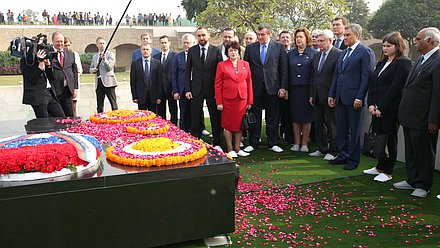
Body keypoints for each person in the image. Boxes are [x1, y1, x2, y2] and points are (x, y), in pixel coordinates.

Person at [394, 27, 440, 198]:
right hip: (409, 116)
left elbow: (437, 94)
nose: (415, 42)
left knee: (424, 152)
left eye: (418, 39)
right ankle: (412, 179)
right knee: (411, 150)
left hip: (425, 117)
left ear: (429, 41)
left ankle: (423, 184)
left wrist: (433, 119)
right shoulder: (421, 59)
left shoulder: (438, 60)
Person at [362, 32, 412, 182]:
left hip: (391, 109)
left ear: (398, 46)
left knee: (389, 139)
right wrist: (371, 104)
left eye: (388, 46)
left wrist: (381, 107)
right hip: (376, 108)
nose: (385, 48)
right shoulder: (382, 62)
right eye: (383, 45)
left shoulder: (403, 62)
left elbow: (396, 88)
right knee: (379, 138)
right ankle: (379, 166)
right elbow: (373, 84)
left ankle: (388, 171)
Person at [328, 23, 375, 170]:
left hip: (355, 99)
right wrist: (332, 94)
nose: (345, 37)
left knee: (355, 131)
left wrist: (360, 97)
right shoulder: (343, 53)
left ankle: (353, 160)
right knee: (341, 128)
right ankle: (343, 155)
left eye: (348, 35)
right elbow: (337, 75)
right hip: (340, 97)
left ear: (357, 35)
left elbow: (366, 77)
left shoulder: (365, 52)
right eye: (345, 35)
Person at [243, 23, 288, 153]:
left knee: (272, 116)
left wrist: (283, 87)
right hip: (255, 88)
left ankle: (272, 142)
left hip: (273, 88)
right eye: (259, 34)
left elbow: (283, 68)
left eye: (263, 34)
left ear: (269, 34)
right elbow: (246, 70)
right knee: (254, 116)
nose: (260, 37)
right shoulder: (250, 48)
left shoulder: (279, 47)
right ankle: (253, 142)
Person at [185, 27, 223, 151]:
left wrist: (219, 91)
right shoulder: (192, 51)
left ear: (209, 35)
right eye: (199, 35)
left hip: (212, 89)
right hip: (196, 88)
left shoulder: (216, 51)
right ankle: (196, 139)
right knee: (195, 115)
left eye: (203, 35)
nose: (201, 38)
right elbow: (187, 71)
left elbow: (220, 72)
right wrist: (187, 89)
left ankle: (217, 140)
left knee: (214, 116)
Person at [215, 41, 253, 158]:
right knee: (228, 125)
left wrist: (250, 100)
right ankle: (230, 149)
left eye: (235, 50)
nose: (233, 52)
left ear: (239, 52)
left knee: (239, 124)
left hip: (242, 99)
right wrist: (219, 102)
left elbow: (249, 82)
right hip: (228, 100)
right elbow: (217, 85)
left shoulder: (245, 64)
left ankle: (237, 148)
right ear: (227, 52)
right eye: (231, 50)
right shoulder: (222, 65)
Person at [309, 29, 341, 161]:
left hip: (330, 96)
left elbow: (338, 77)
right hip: (317, 95)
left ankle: (333, 150)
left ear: (330, 40)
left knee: (332, 124)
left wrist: (333, 95)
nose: (319, 43)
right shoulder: (316, 55)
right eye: (318, 41)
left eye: (322, 41)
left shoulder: (338, 54)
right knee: (319, 123)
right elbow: (313, 77)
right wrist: (312, 94)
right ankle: (322, 148)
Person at [287, 27, 315, 152]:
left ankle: (304, 144)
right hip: (294, 89)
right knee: (295, 116)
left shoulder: (313, 53)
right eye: (297, 37)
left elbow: (315, 74)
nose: (298, 39)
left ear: (306, 39)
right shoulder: (290, 54)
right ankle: (296, 143)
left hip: (307, 89)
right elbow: (286, 72)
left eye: (301, 37)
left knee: (306, 117)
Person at [20, 49, 65, 118]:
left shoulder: (46, 59)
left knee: (61, 117)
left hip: (50, 93)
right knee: (43, 121)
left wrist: (48, 65)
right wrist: (40, 63)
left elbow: (52, 78)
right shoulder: (26, 61)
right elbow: (33, 78)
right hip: (38, 95)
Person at [49, 31, 78, 117]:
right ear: (53, 41)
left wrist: (75, 87)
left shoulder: (70, 54)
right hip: (55, 91)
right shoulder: (48, 54)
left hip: (68, 90)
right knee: (57, 117)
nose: (60, 43)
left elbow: (75, 71)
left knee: (70, 116)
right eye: (58, 41)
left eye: (61, 41)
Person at [172, 33, 196, 132]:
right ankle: (183, 131)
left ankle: (195, 131)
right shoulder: (178, 57)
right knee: (183, 111)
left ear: (193, 43)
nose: (186, 45)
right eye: (184, 43)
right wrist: (175, 91)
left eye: (188, 43)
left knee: (194, 112)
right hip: (182, 89)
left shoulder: (197, 55)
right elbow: (174, 74)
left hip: (194, 88)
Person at [130, 43, 163, 112]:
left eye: (147, 49)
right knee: (142, 118)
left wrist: (159, 97)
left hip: (153, 96)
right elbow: (133, 81)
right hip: (140, 96)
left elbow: (160, 81)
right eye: (143, 49)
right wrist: (134, 96)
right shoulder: (135, 63)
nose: (145, 51)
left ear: (151, 51)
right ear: (140, 51)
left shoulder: (157, 63)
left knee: (153, 117)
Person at [90, 37, 118, 113]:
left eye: (103, 43)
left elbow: (109, 67)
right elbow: (91, 68)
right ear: (97, 45)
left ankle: (116, 119)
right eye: (100, 43)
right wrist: (92, 70)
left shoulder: (110, 54)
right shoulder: (95, 56)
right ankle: (100, 120)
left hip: (109, 82)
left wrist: (105, 60)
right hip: (98, 82)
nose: (102, 45)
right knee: (99, 105)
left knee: (113, 103)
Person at [153, 35, 177, 124]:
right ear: (160, 44)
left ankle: (174, 126)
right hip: (160, 88)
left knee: (173, 109)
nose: (164, 45)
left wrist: (175, 89)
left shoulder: (175, 56)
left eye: (165, 42)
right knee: (160, 110)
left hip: (171, 88)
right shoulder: (155, 57)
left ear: (169, 43)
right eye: (162, 43)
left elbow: (176, 73)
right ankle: (162, 125)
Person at [278, 31, 294, 145]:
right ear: (279, 39)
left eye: (287, 37)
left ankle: (289, 136)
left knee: (290, 113)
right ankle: (281, 134)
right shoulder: (277, 51)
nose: (285, 39)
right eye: (283, 37)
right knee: (280, 113)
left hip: (292, 87)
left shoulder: (293, 52)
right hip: (278, 87)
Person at [64, 37, 83, 117]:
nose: (67, 47)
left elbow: (79, 70)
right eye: (66, 45)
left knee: (73, 105)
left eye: (69, 45)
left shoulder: (74, 55)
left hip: (73, 83)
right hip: (63, 85)